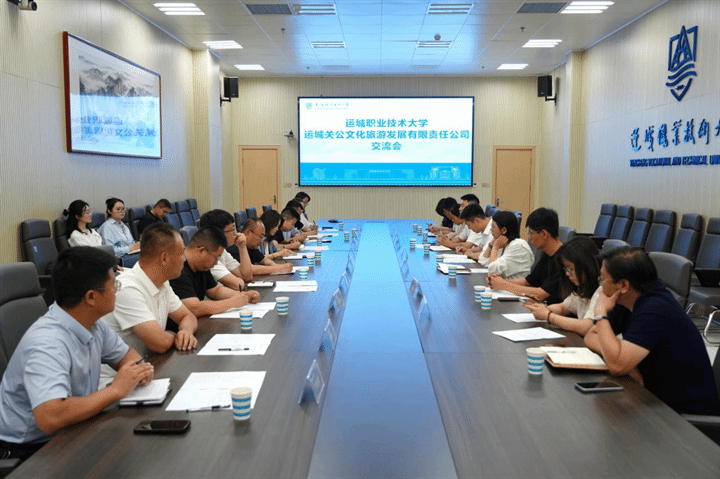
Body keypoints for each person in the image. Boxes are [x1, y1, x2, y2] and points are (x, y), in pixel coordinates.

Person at [0, 247, 153, 461]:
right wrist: (116, 389)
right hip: (30, 450)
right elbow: (50, 417)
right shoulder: (48, 343)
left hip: (73, 428)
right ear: (91, 297)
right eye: (113, 286)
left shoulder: (93, 324)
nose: (116, 291)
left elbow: (127, 354)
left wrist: (137, 370)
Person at [584, 246, 720, 416]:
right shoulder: (626, 299)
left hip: (684, 416)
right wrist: (627, 364)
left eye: (603, 279)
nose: (600, 285)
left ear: (623, 285)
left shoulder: (655, 308)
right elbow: (590, 336)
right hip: (652, 400)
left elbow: (616, 366)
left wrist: (600, 314)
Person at [100, 223, 198, 386]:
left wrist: (185, 331)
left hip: (147, 370)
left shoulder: (163, 282)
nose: (185, 259)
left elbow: (187, 316)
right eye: (181, 254)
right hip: (114, 383)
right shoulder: (127, 288)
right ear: (164, 258)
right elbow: (160, 344)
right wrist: (172, 334)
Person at [168, 226, 260, 318]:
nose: (216, 263)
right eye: (216, 258)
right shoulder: (178, 270)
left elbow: (215, 291)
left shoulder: (201, 266)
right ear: (202, 251)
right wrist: (232, 303)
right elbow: (194, 308)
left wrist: (243, 296)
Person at [523, 237, 602, 336]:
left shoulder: (602, 290)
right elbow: (563, 307)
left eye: (570, 269)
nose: (567, 274)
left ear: (586, 266)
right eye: (566, 269)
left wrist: (549, 316)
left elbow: (587, 327)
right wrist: (544, 309)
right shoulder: (582, 287)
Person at [486, 207, 564, 304]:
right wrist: (497, 281)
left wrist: (504, 285)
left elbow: (541, 293)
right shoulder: (548, 254)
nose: (529, 238)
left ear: (544, 234)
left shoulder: (564, 259)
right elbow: (529, 282)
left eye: (531, 233)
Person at [197, 209, 253, 290]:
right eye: (232, 229)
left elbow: (247, 276)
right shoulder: (207, 255)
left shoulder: (222, 251)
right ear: (218, 233)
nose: (235, 233)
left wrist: (242, 247)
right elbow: (238, 285)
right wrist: (239, 280)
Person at [471, 210, 534, 280]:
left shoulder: (518, 246)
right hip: (502, 284)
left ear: (504, 230)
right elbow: (482, 262)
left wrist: (495, 247)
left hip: (514, 286)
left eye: (493, 227)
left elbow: (493, 270)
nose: (491, 230)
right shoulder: (503, 242)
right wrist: (491, 245)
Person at [97, 197, 140, 267]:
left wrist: (137, 245)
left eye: (123, 209)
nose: (122, 211)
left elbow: (131, 243)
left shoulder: (124, 226)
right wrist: (129, 248)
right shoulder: (106, 227)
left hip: (131, 255)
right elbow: (110, 251)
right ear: (109, 211)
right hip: (120, 259)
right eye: (118, 209)